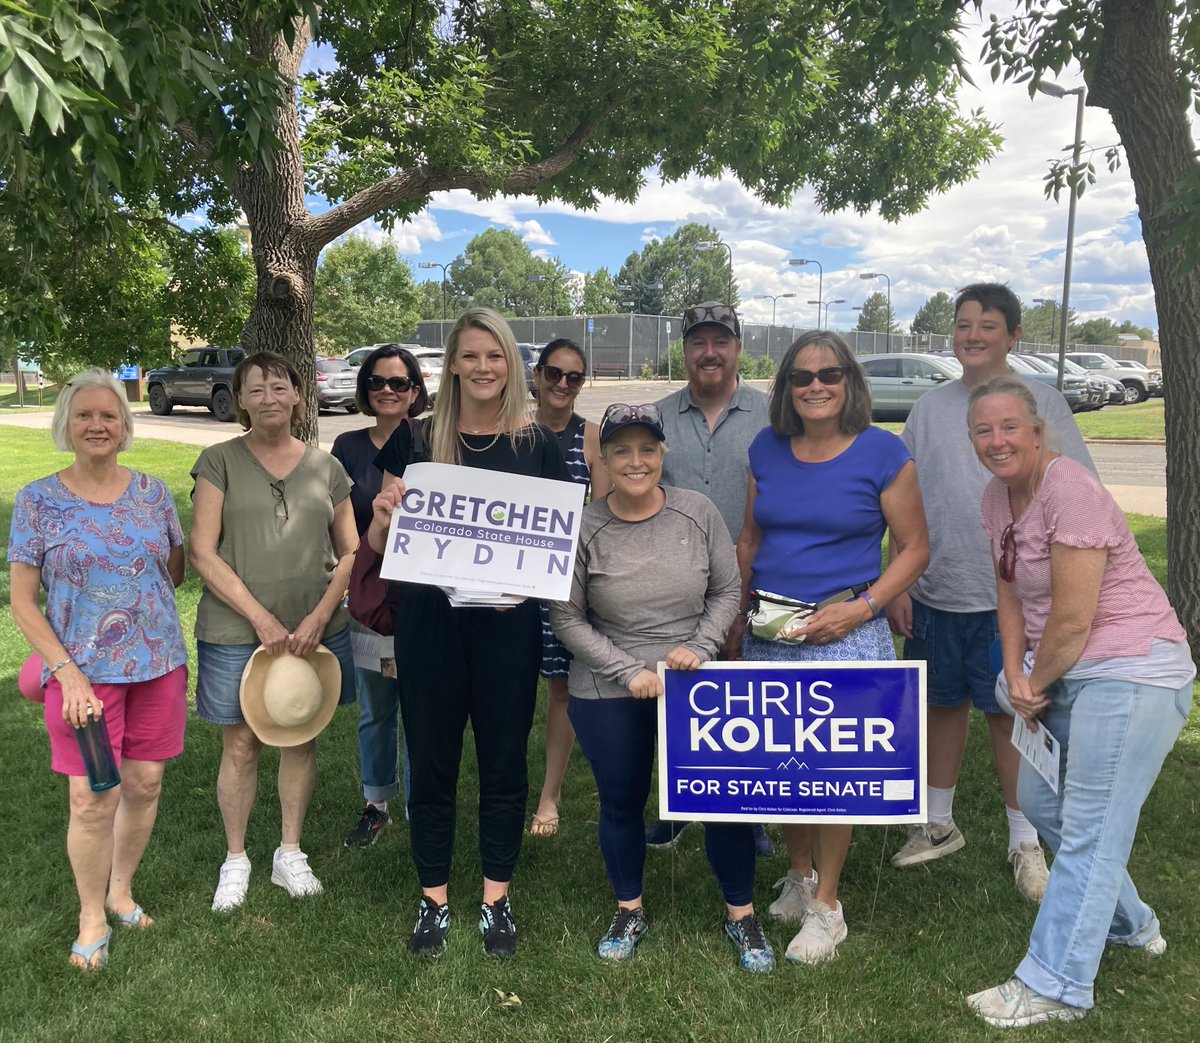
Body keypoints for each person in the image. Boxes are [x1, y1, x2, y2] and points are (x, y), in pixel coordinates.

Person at [963, 376, 1193, 1028]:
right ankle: (1131, 922)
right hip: (1061, 670)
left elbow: (1072, 618)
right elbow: (1009, 593)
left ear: (1036, 431)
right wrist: (1014, 672)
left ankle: (1055, 982)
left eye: (1010, 426)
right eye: (984, 430)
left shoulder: (1071, 490)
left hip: (1131, 669)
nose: (998, 440)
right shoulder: (997, 497)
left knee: (1092, 823)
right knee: (1040, 803)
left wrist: (1033, 682)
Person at [368, 307, 571, 957]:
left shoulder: (537, 444)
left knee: (504, 762)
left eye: (496, 356)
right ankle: (434, 900)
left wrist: (529, 583)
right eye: (471, 355)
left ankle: (494, 898)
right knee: (431, 760)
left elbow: (554, 548)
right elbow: (381, 545)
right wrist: (381, 515)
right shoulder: (419, 438)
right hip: (428, 625)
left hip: (506, 629)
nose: (484, 367)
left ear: (511, 364)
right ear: (451, 363)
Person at [886, 284, 1095, 902]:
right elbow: (905, 502)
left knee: (1011, 713)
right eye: (962, 324)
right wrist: (899, 574)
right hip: (935, 590)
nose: (972, 335)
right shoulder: (928, 409)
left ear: (1013, 336)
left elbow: (1073, 489)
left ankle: (1025, 841)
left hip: (1013, 597)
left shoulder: (1043, 402)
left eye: (987, 325)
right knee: (940, 705)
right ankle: (936, 822)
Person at [549, 403, 775, 972]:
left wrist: (698, 648)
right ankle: (630, 907)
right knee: (621, 800)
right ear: (603, 458)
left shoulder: (697, 513)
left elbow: (727, 591)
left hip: (695, 681)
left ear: (662, 453)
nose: (635, 461)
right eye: (621, 450)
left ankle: (741, 914)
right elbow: (567, 617)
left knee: (726, 803)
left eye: (646, 449)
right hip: (608, 683)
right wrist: (629, 670)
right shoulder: (583, 527)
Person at [731, 332, 929, 964]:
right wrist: (736, 615)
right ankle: (799, 873)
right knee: (782, 763)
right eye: (801, 376)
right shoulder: (767, 447)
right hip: (773, 630)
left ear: (851, 383)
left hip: (847, 627)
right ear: (786, 386)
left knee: (832, 773)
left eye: (830, 374)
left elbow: (917, 546)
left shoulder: (883, 453)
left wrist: (864, 606)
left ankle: (829, 907)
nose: (815, 385)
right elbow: (750, 536)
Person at [8, 368, 188, 970]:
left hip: (159, 663)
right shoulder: (38, 501)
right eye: (84, 414)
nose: (97, 425)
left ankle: (121, 889)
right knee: (90, 799)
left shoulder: (155, 494)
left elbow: (174, 569)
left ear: (125, 425)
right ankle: (91, 912)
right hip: (80, 675)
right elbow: (21, 600)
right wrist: (67, 670)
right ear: (66, 424)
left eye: (108, 415)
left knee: (144, 785)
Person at [190, 351, 357, 911]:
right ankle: (235, 858)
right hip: (237, 630)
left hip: (314, 629)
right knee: (239, 745)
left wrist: (317, 617)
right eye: (255, 389)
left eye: (278, 387)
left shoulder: (326, 467)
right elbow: (201, 551)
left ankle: (290, 852)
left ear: (296, 397)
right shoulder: (218, 461)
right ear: (241, 400)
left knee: (299, 734)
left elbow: (353, 550)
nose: (268, 397)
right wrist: (260, 618)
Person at [647, 301, 773, 856]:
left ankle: (754, 812)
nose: (710, 353)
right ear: (685, 349)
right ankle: (680, 804)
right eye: (698, 342)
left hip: (757, 580)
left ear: (738, 348)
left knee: (748, 702)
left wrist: (744, 601)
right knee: (679, 701)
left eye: (721, 341)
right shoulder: (657, 416)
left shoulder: (772, 416)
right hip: (674, 586)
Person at [331, 345, 428, 847]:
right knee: (377, 705)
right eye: (377, 382)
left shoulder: (431, 437)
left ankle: (419, 801)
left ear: (416, 390)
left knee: (422, 704)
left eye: (399, 382)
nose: (388, 390)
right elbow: (344, 528)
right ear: (365, 388)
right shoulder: (348, 447)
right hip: (371, 595)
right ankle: (376, 801)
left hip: (426, 596)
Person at [528, 338, 611, 837]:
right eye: (554, 374)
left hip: (566, 581)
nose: (562, 384)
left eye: (574, 377)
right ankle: (508, 784)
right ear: (538, 375)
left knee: (562, 689)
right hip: (512, 584)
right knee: (511, 691)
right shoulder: (511, 431)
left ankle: (549, 796)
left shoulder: (591, 437)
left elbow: (600, 514)